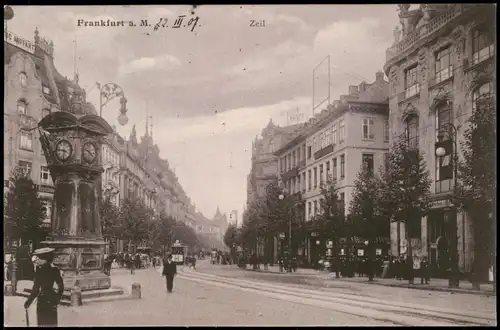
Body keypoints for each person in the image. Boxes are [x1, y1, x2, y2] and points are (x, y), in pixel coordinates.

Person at [24, 248, 64, 327]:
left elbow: (36, 288)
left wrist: (29, 301)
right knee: (51, 323)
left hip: (42, 301)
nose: (38, 259)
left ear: (46, 259)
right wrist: (57, 299)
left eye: (40, 257)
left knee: (42, 323)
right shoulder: (54, 270)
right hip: (51, 300)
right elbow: (61, 287)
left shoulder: (40, 270)